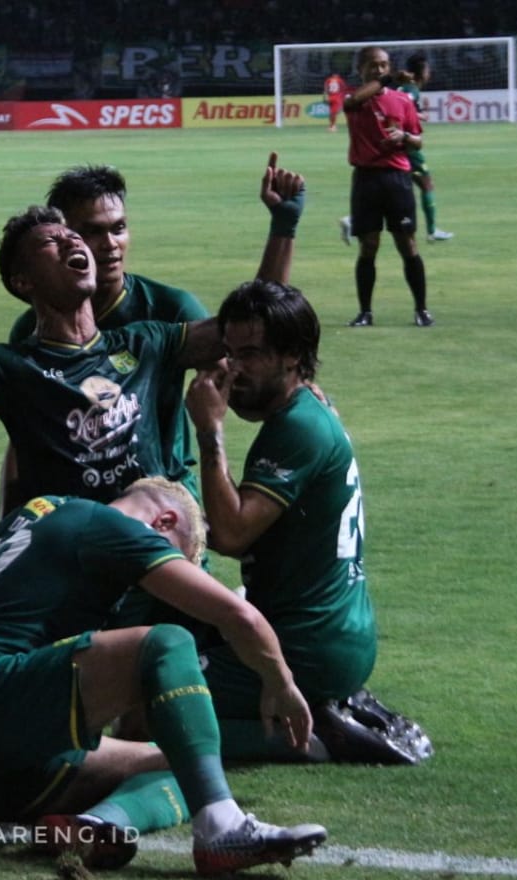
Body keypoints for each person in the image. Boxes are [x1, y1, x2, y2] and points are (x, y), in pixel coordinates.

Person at [0, 156, 302, 515]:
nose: (104, 244)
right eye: (76, 233)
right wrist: (11, 526)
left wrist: (283, 227)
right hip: (71, 535)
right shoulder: (22, 353)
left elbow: (252, 327)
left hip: (161, 512)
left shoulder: (153, 330)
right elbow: (20, 432)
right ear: (25, 282)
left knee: (217, 625)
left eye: (117, 229)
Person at [0, 477, 327, 875]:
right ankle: (223, 828)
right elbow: (238, 616)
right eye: (168, 554)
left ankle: (94, 826)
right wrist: (282, 683)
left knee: (185, 760)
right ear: (163, 522)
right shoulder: (106, 525)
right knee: (167, 643)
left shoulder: (40, 512)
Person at [184, 280, 433, 764]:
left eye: (252, 354)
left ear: (294, 355)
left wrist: (209, 431)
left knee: (156, 705)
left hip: (308, 646)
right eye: (230, 353)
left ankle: (313, 735)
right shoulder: (310, 406)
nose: (235, 370)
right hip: (337, 634)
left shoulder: (296, 428)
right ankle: (328, 705)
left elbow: (233, 534)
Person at [0, 165, 211, 516]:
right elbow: (25, 441)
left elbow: (242, 353)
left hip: (164, 496)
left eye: (119, 228)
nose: (111, 244)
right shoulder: (31, 330)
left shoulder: (169, 308)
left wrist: (299, 384)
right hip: (76, 505)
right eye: (93, 232)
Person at [339, 46, 432, 328]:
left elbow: (418, 140)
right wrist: (388, 80)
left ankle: (422, 309)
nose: (379, 69)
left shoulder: (402, 101)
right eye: (373, 65)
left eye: (383, 65)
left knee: (407, 244)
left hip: (396, 180)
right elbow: (355, 98)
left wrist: (404, 136)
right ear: (360, 69)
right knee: (368, 246)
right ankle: (365, 312)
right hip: (366, 178)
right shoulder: (354, 100)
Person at [399, 54, 453, 242]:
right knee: (427, 184)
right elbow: (402, 103)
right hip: (408, 146)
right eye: (428, 69)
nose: (429, 73)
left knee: (392, 190)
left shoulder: (405, 87)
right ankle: (431, 232)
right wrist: (415, 115)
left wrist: (418, 115)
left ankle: (353, 220)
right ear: (421, 72)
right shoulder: (411, 89)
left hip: (398, 145)